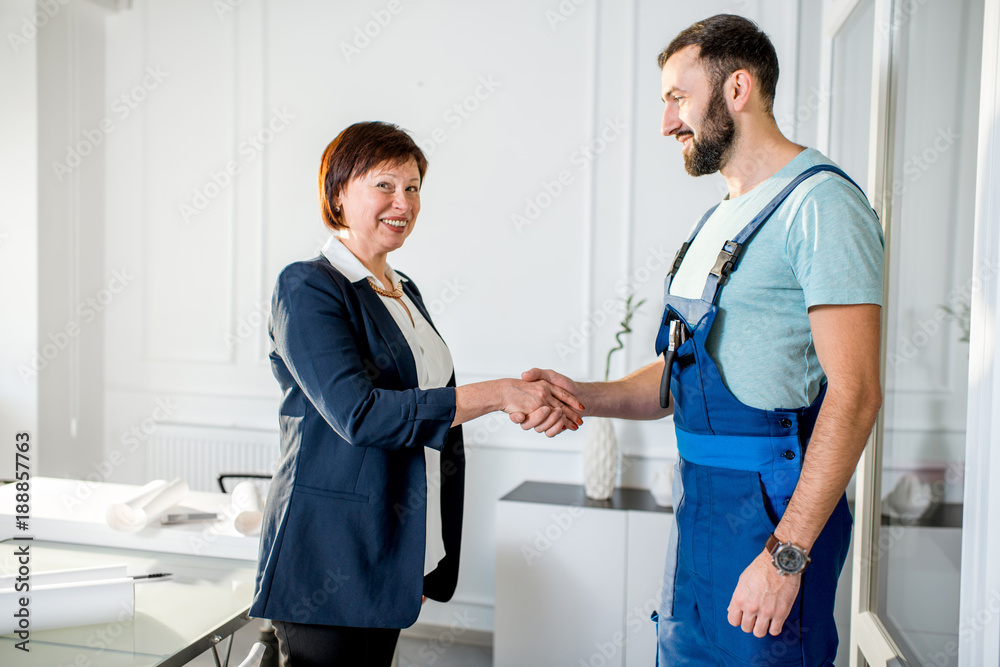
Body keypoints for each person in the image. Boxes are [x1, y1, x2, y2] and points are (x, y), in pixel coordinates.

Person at [515, 14, 884, 665]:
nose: (666, 122)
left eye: (677, 97)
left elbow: (854, 393)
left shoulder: (820, 206)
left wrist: (785, 553)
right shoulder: (716, 219)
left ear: (736, 88)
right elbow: (676, 374)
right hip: (699, 520)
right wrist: (580, 394)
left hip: (771, 520)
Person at [249, 121, 583, 667]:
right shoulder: (308, 285)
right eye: (384, 184)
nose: (402, 201)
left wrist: (419, 551)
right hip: (333, 552)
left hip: (395, 543)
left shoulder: (406, 290)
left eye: (412, 187)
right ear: (338, 195)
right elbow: (362, 416)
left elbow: (429, 414)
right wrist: (499, 394)